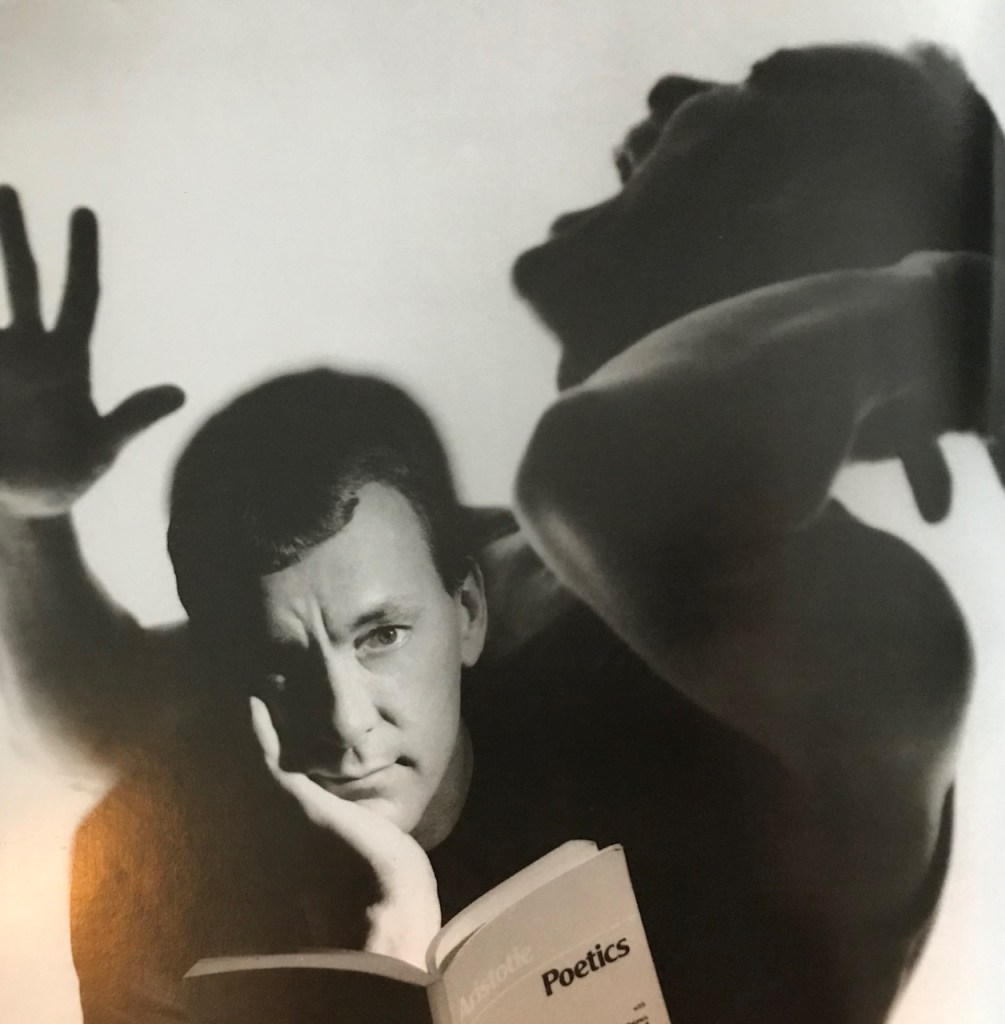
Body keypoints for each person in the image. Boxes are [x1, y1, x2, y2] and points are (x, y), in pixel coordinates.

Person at [0, 41, 1000, 1024]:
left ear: (794, 219)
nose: (670, 87)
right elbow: (119, 713)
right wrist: (28, 513)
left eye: (756, 86)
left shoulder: (877, 646)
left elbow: (588, 475)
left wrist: (952, 303)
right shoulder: (478, 569)